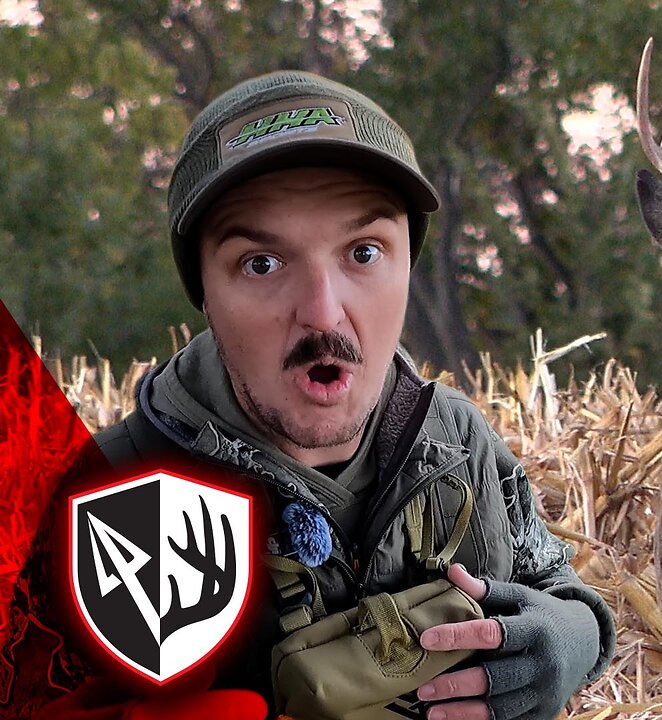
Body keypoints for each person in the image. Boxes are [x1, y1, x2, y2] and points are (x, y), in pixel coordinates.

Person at [29, 70, 615, 720]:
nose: (323, 313)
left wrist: (573, 638)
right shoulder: (109, 494)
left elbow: (557, 589)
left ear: (407, 267)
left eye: (363, 252)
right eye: (262, 264)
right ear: (203, 292)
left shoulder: (459, 443)